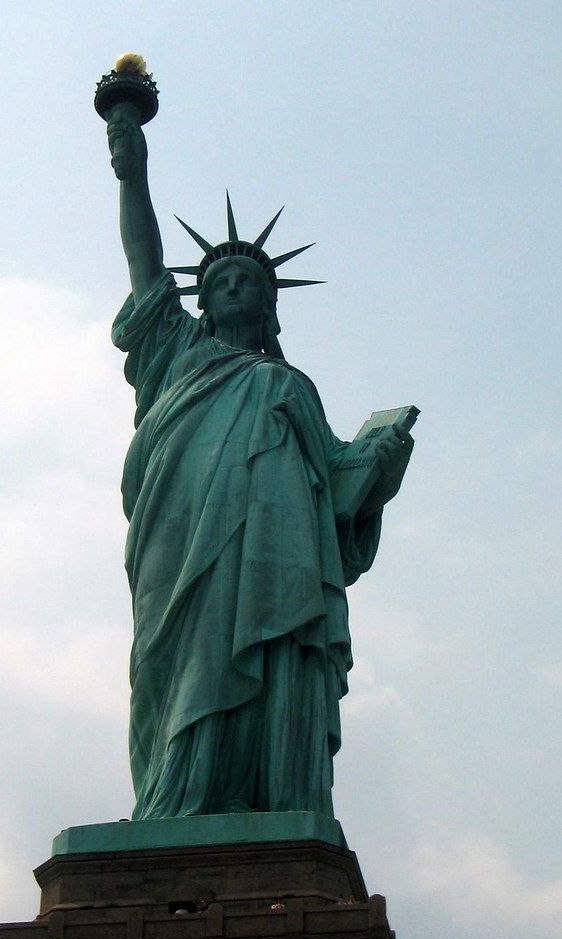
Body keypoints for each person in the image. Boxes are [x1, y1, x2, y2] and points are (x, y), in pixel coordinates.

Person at [107, 107, 412, 820]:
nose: (238, 287)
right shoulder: (177, 354)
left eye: (252, 281)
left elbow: (338, 488)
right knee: (177, 665)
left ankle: (271, 798)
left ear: (271, 305)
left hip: (279, 558)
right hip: (181, 545)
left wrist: (380, 464)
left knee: (276, 657)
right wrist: (132, 170)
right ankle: (175, 801)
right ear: (203, 304)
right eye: (222, 282)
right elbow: (145, 264)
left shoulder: (290, 386)